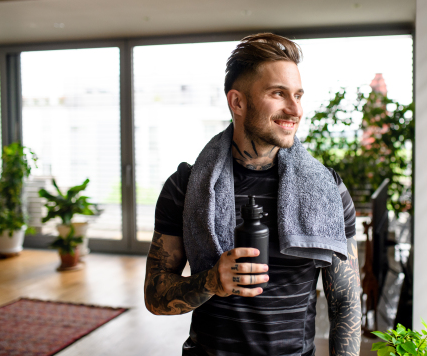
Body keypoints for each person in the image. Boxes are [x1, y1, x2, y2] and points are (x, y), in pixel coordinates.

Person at [144, 33, 361, 356]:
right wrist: (210, 282)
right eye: (278, 94)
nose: (295, 109)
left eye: (298, 95)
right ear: (238, 102)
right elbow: (155, 297)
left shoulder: (327, 190)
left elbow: (345, 302)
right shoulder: (186, 187)